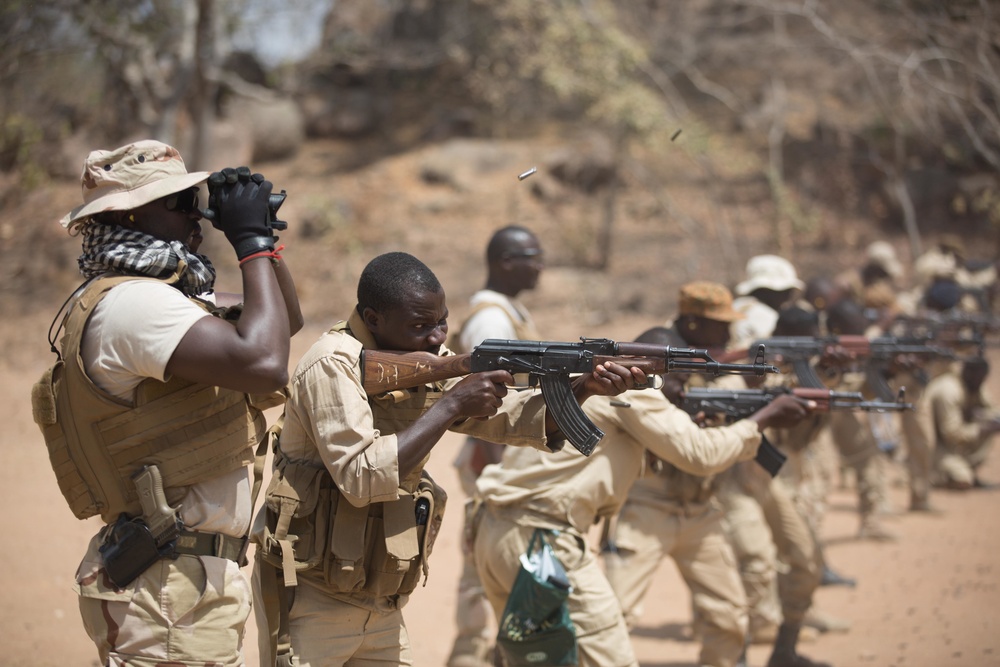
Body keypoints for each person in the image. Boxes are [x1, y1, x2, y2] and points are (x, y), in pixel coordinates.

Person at [250, 251, 642, 667]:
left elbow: (511, 422)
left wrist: (582, 389)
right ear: (374, 317)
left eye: (442, 321)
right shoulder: (333, 363)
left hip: (378, 592)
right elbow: (362, 478)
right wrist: (451, 404)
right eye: (421, 325)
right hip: (312, 592)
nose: (438, 337)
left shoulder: (425, 359)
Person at [32, 139, 302, 666]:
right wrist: (247, 242)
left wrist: (263, 241)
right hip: (168, 588)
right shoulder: (133, 305)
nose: (197, 210)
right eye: (180, 201)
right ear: (128, 213)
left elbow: (282, 324)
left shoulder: (163, 298)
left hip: (183, 585)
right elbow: (265, 362)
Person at [472, 308, 817, 667]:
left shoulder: (598, 385)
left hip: (496, 527)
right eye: (678, 377)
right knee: (607, 652)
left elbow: (623, 452)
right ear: (649, 369)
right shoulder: (635, 390)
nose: (682, 388)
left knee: (533, 654)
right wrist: (765, 418)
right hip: (542, 537)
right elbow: (701, 454)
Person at [447, 225, 544, 667]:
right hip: (494, 465)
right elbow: (485, 403)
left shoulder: (509, 312)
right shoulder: (491, 319)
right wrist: (502, 477)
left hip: (503, 465)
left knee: (493, 579)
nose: (539, 265)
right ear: (504, 261)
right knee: (482, 584)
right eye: (531, 256)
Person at [925, 356, 1000, 490]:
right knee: (962, 479)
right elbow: (952, 433)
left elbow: (992, 411)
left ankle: (966, 469)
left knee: (992, 424)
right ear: (969, 373)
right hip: (936, 446)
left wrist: (984, 417)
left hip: (953, 446)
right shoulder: (949, 391)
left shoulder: (974, 385)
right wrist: (982, 428)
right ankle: (937, 475)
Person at [731, 255, 805, 348]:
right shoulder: (767, 316)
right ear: (769, 291)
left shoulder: (735, 305)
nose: (788, 296)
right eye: (785, 291)